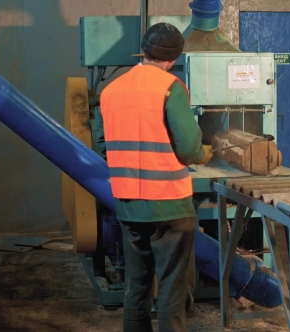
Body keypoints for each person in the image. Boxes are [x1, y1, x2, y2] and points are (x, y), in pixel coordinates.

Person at [94, 22, 213, 332]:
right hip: (170, 205)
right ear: (173, 59)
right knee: (173, 290)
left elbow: (101, 145)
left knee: (137, 287)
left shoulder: (110, 90)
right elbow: (188, 148)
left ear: (143, 52)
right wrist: (205, 154)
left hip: (129, 205)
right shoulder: (170, 87)